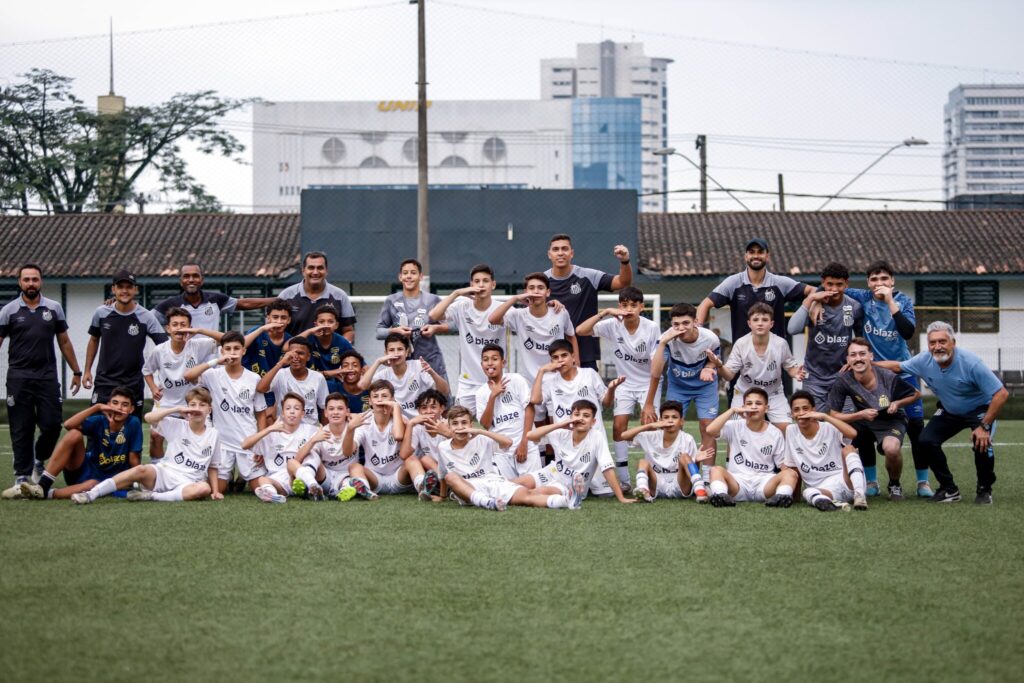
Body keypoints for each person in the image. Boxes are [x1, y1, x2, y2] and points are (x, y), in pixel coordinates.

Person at [875, 321, 1007, 504]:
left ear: (953, 342)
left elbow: (1001, 394)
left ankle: (984, 490)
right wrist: (866, 364)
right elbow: (897, 366)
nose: (937, 347)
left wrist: (984, 426)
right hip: (950, 410)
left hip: (979, 410)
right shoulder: (923, 360)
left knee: (981, 442)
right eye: (933, 343)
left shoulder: (971, 363)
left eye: (942, 341)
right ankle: (949, 489)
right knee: (925, 441)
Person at [844, 260, 931, 497]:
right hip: (871, 378)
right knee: (863, 428)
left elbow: (907, 332)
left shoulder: (903, 301)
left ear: (892, 281)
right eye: (874, 279)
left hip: (902, 376)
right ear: (868, 283)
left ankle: (923, 482)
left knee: (916, 428)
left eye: (884, 279)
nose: (879, 283)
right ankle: (872, 482)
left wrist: (890, 301)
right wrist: (814, 301)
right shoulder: (863, 297)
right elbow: (832, 288)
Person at [0, 263, 83, 486]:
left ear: (41, 282)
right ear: (19, 282)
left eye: (34, 279)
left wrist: (76, 371)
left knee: (52, 425)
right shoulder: (8, 311)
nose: (31, 283)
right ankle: (22, 476)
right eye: (26, 279)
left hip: (47, 377)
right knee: (21, 427)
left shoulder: (54, 308)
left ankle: (38, 460)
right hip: (18, 378)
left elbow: (64, 341)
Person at [70, 387, 221, 504]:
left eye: (202, 405)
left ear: (209, 410)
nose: (196, 408)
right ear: (187, 408)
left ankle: (152, 496)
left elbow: (213, 466)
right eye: (192, 404)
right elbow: (149, 417)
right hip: (164, 474)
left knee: (204, 488)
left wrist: (215, 491)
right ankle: (91, 494)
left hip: (189, 482)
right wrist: (176, 409)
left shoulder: (214, 434)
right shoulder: (178, 424)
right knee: (141, 469)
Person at [577, 285, 661, 490]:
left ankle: (657, 477)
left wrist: (649, 403)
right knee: (618, 426)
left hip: (649, 383)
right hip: (624, 383)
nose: (629, 309)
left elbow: (657, 369)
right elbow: (581, 330)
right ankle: (624, 481)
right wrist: (605, 312)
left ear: (642, 307)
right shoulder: (612, 324)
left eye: (634, 305)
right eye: (624, 305)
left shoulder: (651, 328)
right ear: (618, 307)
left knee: (653, 427)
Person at [827, 338, 921, 501]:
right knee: (838, 439)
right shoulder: (843, 380)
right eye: (853, 355)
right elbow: (834, 415)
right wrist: (859, 415)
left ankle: (894, 484)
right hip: (864, 418)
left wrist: (897, 402)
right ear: (848, 360)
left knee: (891, 449)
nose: (858, 358)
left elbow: (916, 394)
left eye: (862, 354)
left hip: (891, 419)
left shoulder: (887, 376)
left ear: (871, 356)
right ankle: (863, 483)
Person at [11, 387, 140, 500]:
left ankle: (45, 493)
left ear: (131, 409)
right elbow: (68, 425)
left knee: (92, 485)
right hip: (83, 470)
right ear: (108, 404)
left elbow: (134, 458)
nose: (119, 408)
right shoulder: (100, 420)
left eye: (125, 405)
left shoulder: (133, 423)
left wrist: (138, 479)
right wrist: (97, 407)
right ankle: (43, 484)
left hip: (109, 479)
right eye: (115, 403)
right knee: (74, 434)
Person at [184, 331, 270, 496]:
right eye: (228, 349)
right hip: (222, 443)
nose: (232, 352)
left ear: (243, 351)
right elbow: (188, 376)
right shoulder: (212, 375)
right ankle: (229, 474)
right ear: (222, 351)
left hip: (247, 441)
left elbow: (261, 413)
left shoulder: (253, 378)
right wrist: (216, 362)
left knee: (258, 489)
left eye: (236, 348)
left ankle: (244, 475)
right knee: (216, 489)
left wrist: (261, 444)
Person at [643, 303, 721, 479]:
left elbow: (715, 358)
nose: (680, 328)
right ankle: (670, 473)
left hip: (705, 386)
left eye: (685, 323)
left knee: (707, 427)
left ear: (696, 322)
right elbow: (655, 373)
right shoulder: (667, 339)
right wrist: (663, 343)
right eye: (676, 324)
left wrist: (709, 366)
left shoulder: (710, 338)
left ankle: (708, 478)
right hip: (678, 387)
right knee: (670, 426)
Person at [488, 271, 579, 419]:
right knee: (538, 428)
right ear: (526, 292)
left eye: (540, 288)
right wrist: (515, 298)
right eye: (531, 288)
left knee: (558, 425)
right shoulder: (518, 315)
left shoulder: (560, 312)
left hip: (557, 377)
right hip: (531, 380)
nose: (536, 291)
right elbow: (492, 319)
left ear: (548, 292)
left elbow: (571, 336)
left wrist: (577, 363)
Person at [82, 270, 169, 420]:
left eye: (129, 287)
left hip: (133, 381)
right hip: (105, 380)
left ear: (135, 290)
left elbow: (165, 346)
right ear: (113, 289)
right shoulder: (101, 312)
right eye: (120, 287)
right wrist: (87, 370)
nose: (124, 291)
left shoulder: (146, 316)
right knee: (96, 424)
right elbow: (94, 340)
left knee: (131, 425)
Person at [703, 303, 804, 430]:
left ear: (771, 324)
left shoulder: (780, 344)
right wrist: (718, 365)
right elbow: (729, 375)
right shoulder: (741, 344)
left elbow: (790, 367)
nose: (760, 323)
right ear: (749, 323)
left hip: (773, 393)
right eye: (756, 320)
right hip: (745, 393)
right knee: (735, 431)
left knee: (787, 430)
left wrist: (796, 373)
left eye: (765, 320)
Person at [517, 400, 634, 506]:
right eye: (577, 415)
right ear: (571, 417)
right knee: (518, 483)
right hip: (551, 472)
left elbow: (607, 469)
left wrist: (621, 498)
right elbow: (530, 436)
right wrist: (559, 424)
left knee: (534, 493)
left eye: (586, 416)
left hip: (568, 487)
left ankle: (502, 499)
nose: (581, 418)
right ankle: (500, 494)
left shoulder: (596, 437)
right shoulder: (561, 433)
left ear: (593, 422)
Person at [142, 307, 222, 462]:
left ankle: (199, 471)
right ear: (168, 328)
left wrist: (199, 330)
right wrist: (152, 388)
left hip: (192, 402)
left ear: (190, 327)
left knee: (201, 437)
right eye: (175, 324)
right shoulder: (159, 350)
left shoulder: (198, 345)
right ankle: (157, 469)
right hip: (166, 403)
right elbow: (146, 370)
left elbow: (227, 339)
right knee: (155, 436)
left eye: (183, 324)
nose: (179, 329)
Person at [696, 237, 813, 341]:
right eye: (752, 252)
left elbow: (814, 291)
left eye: (760, 252)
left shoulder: (780, 283)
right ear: (746, 256)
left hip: (775, 355)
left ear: (767, 256)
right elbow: (704, 304)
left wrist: (815, 303)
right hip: (743, 356)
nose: (756, 256)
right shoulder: (733, 283)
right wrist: (698, 332)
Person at [545, 234, 632, 370]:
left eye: (565, 249)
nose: (560, 253)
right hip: (551, 354)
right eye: (556, 249)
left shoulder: (588, 276)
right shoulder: (541, 282)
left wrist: (625, 261)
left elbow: (622, 282)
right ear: (549, 254)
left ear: (571, 253)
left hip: (585, 352)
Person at [428, 264, 505, 411]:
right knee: (463, 427)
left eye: (485, 281)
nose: (481, 285)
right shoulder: (462, 306)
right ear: (471, 285)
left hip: (495, 381)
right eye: (476, 281)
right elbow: (433, 315)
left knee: (491, 427)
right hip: (468, 383)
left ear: (493, 285)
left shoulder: (502, 309)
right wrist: (456, 293)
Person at [788, 262, 863, 409]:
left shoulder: (854, 307)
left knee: (846, 424)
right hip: (814, 377)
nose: (834, 289)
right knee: (816, 423)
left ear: (846, 284)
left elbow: (861, 340)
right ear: (823, 283)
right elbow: (792, 329)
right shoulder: (814, 304)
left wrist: (853, 359)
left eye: (839, 284)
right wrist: (811, 300)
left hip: (843, 375)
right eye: (829, 284)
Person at [704, 388, 797, 508]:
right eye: (749, 404)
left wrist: (790, 477)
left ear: (766, 408)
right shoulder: (735, 426)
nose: (753, 407)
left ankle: (781, 497)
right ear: (743, 407)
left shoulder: (775, 433)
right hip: (738, 483)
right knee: (715, 470)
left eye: (758, 403)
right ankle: (720, 496)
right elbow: (710, 430)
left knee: (791, 474)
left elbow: (782, 466)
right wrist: (732, 410)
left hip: (764, 484)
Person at [785, 390, 868, 511]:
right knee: (808, 492)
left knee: (849, 449)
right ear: (792, 414)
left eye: (805, 408)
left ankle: (860, 496)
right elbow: (793, 466)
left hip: (847, 483)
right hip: (823, 490)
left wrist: (825, 416)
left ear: (813, 410)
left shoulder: (829, 427)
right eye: (796, 410)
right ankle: (830, 503)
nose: (801, 413)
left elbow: (853, 434)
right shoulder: (790, 431)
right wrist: (795, 497)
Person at [473, 344, 542, 479]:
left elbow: (529, 410)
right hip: (501, 452)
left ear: (503, 362)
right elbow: (485, 425)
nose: (490, 363)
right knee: (510, 494)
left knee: (533, 489)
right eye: (486, 360)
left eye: (494, 359)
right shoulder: (480, 393)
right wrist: (492, 396)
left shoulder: (516, 379)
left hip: (525, 446)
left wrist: (524, 443)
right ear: (481, 364)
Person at [376, 258, 449, 382]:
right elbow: (379, 332)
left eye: (413, 273)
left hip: (430, 360)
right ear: (400, 277)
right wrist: (395, 331)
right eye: (405, 273)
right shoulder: (391, 300)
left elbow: (453, 325)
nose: (409, 276)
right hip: (402, 363)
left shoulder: (433, 300)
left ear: (420, 276)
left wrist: (435, 328)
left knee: (440, 396)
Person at [435, 406, 518, 511]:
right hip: (467, 489)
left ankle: (546, 500)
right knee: (451, 477)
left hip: (490, 483)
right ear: (450, 427)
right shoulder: (443, 447)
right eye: (455, 423)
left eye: (464, 422)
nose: (460, 427)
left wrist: (480, 431)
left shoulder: (482, 439)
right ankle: (487, 502)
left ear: (471, 425)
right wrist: (442, 496)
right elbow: (442, 473)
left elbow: (508, 443)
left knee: (528, 491)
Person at [241, 392, 319, 504]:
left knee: (300, 460)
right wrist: (269, 429)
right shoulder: (272, 433)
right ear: (282, 413)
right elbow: (244, 445)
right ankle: (272, 495)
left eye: (296, 408)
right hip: (279, 481)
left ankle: (312, 485)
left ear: (302, 414)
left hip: (300, 477)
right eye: (288, 408)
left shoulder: (310, 430)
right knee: (262, 479)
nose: (292, 411)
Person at [620, 400, 703, 503]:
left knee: (685, 457)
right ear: (660, 420)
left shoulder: (687, 439)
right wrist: (650, 426)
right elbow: (623, 436)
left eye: (674, 417)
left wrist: (697, 461)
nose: (670, 421)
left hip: (680, 485)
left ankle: (701, 492)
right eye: (666, 417)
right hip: (656, 485)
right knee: (642, 462)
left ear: (682, 421)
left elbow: (692, 471)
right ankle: (643, 490)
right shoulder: (652, 436)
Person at [153, 262, 275, 330]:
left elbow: (244, 303)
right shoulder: (170, 305)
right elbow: (148, 321)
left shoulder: (216, 300)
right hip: (184, 360)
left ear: (202, 280)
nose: (191, 280)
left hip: (212, 360)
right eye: (186, 276)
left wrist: (279, 299)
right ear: (181, 281)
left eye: (195, 276)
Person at [343, 380, 411, 498]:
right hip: (375, 478)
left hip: (398, 475)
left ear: (393, 399)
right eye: (375, 396)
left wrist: (396, 409)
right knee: (354, 467)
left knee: (413, 460)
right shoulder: (364, 420)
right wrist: (350, 429)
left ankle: (422, 487)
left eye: (385, 396)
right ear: (370, 401)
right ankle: (366, 490)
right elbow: (347, 452)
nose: (380, 400)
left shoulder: (400, 418)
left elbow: (398, 436)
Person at [359, 333, 449, 418]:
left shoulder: (418, 366)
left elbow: (445, 391)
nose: (396, 353)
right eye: (391, 350)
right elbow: (362, 386)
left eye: (400, 349)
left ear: (407, 352)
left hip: (422, 421)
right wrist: (378, 362)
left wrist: (432, 372)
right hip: (399, 423)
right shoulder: (384, 375)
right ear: (386, 353)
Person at [292, 393, 359, 501]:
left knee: (350, 479)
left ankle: (346, 490)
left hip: (346, 476)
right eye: (331, 409)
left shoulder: (354, 429)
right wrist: (313, 440)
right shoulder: (320, 433)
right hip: (325, 478)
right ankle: (312, 484)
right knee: (312, 454)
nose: (335, 412)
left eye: (340, 409)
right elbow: (297, 460)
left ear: (347, 412)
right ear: (326, 413)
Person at [277, 251, 356, 340]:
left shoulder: (340, 296)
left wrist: (340, 350)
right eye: (311, 268)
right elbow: (275, 328)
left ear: (326, 271)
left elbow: (348, 331)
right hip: (295, 352)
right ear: (303, 271)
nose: (315, 272)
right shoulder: (286, 296)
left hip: (329, 353)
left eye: (320, 268)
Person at [256, 337, 328, 426]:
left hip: (310, 429)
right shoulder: (280, 374)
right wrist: (281, 363)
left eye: (300, 353)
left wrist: (325, 431)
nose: (296, 357)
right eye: (292, 353)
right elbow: (260, 388)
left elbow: (324, 407)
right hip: (284, 429)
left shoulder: (318, 378)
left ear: (308, 356)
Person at [399, 389, 451, 500]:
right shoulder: (418, 428)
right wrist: (410, 424)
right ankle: (424, 487)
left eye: (433, 407)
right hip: (433, 472)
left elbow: (464, 446)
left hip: (452, 469)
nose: (428, 411)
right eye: (424, 408)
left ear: (442, 409)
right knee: (413, 459)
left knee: (425, 459)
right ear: (418, 411)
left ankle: (448, 486)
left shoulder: (448, 424)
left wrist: (446, 433)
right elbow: (404, 455)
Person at [241, 299, 293, 410]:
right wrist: (262, 328)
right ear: (268, 318)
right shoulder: (257, 332)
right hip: (249, 388)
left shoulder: (290, 340)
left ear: (289, 320)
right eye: (275, 317)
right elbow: (240, 346)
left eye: (283, 318)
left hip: (274, 392)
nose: (279, 321)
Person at [293, 303, 355, 394]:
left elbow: (360, 363)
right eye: (321, 322)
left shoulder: (342, 342)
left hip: (333, 385)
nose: (325, 325)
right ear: (315, 324)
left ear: (336, 325)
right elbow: (287, 347)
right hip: (306, 383)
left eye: (330, 322)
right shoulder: (308, 338)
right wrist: (310, 331)